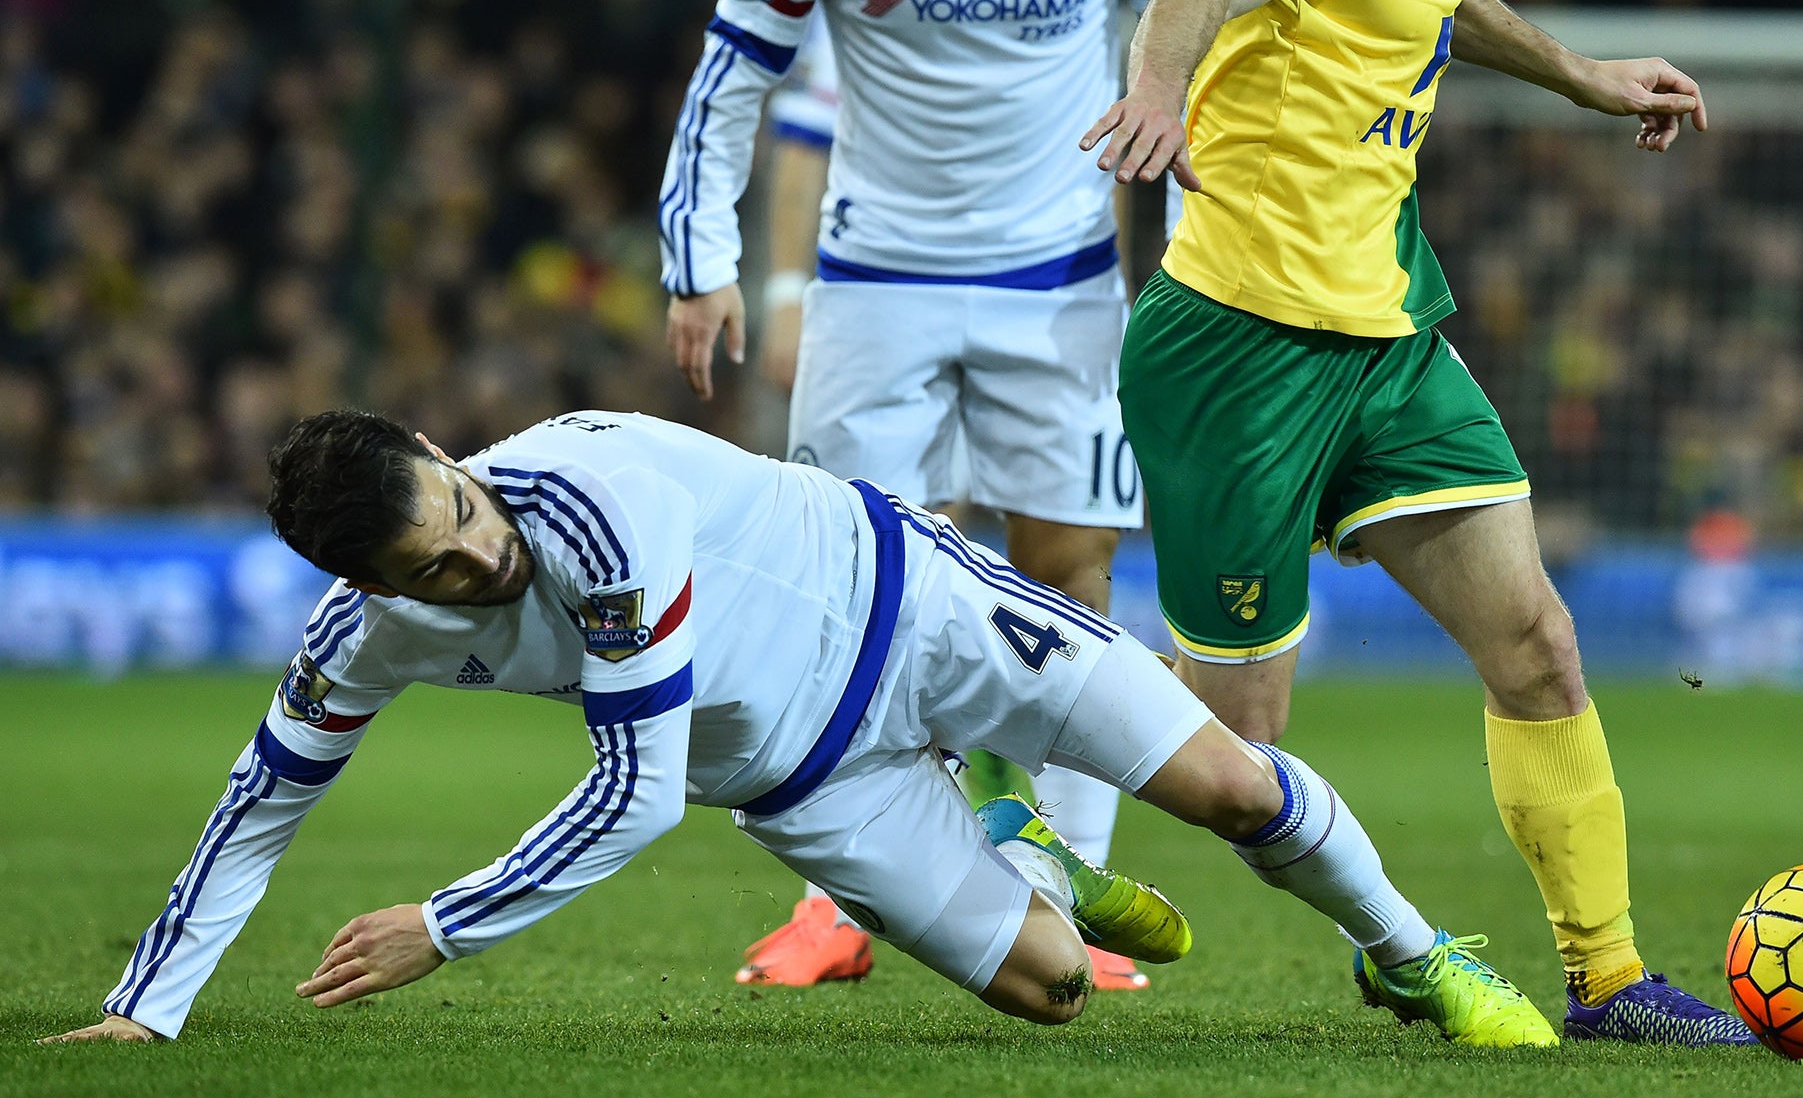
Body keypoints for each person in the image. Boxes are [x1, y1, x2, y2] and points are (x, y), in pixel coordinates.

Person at [44, 408, 1553, 1047]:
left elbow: (634, 796)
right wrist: (151, 1004)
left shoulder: (589, 503)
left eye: (462, 513)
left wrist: (442, 924)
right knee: (1053, 995)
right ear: (368, 588)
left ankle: (1417, 958)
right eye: (429, 570)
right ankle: (1025, 851)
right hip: (806, 779)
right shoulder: (361, 634)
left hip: (921, 615)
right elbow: (261, 797)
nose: (476, 560)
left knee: (1229, 791)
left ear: (447, 454)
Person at [1081, 0, 1754, 1046]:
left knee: (1539, 647)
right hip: (1238, 357)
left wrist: (1578, 75)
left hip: (1386, 343)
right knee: (1238, 751)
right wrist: (1157, 89)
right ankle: (1009, 729)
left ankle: (1611, 981)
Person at [657, 0, 1200, 991]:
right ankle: (841, 906)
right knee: (836, 600)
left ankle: (1054, 897)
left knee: (1071, 579)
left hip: (1064, 287)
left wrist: (1195, 267)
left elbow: (1207, 76)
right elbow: (734, 79)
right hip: (876, 285)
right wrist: (704, 268)